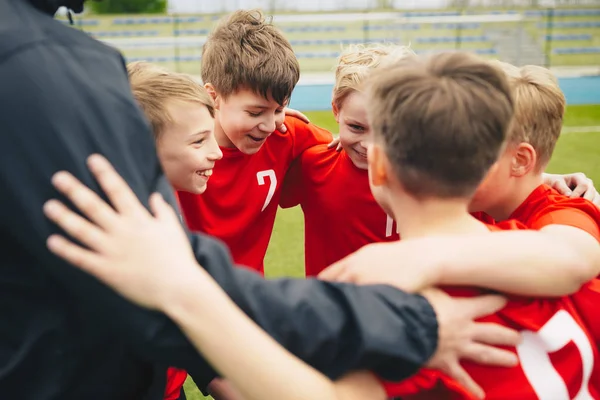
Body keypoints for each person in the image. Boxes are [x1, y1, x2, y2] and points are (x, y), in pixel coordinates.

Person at [0, 0, 519, 398]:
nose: (269, 125)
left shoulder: (292, 140)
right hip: (175, 317)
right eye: (254, 111)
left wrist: (529, 178)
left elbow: (429, 156)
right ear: (212, 94)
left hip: (240, 317)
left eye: (280, 109)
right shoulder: (145, 143)